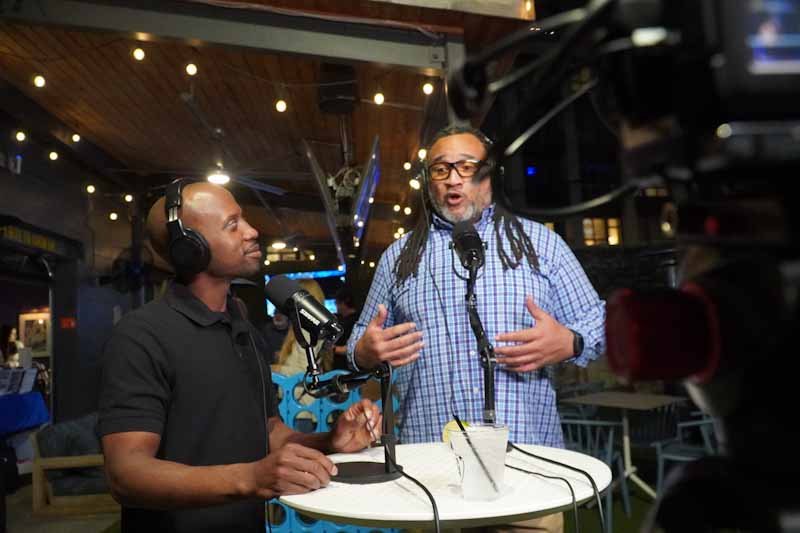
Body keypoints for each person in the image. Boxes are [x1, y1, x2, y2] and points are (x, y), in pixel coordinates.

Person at [347, 126, 606, 533]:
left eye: (467, 167)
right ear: (427, 181)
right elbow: (359, 341)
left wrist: (570, 341)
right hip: (429, 478)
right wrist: (364, 351)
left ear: (488, 176)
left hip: (528, 473)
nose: (453, 178)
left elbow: (599, 321)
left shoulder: (541, 245)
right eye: (440, 169)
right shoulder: (399, 258)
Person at [98, 180, 381, 533]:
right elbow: (126, 475)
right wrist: (251, 478)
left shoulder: (242, 329)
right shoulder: (141, 336)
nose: (252, 231)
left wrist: (330, 441)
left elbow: (270, 432)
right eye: (233, 225)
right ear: (191, 248)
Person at [273, 279, 333, 377]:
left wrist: (273, 368)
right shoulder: (311, 326)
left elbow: (305, 371)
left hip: (300, 391)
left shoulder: (307, 330)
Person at [332, 286, 358, 370]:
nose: (337, 307)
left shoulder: (355, 322)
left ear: (345, 302)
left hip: (347, 368)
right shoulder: (341, 320)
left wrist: (333, 349)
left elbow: (354, 348)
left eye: (337, 303)